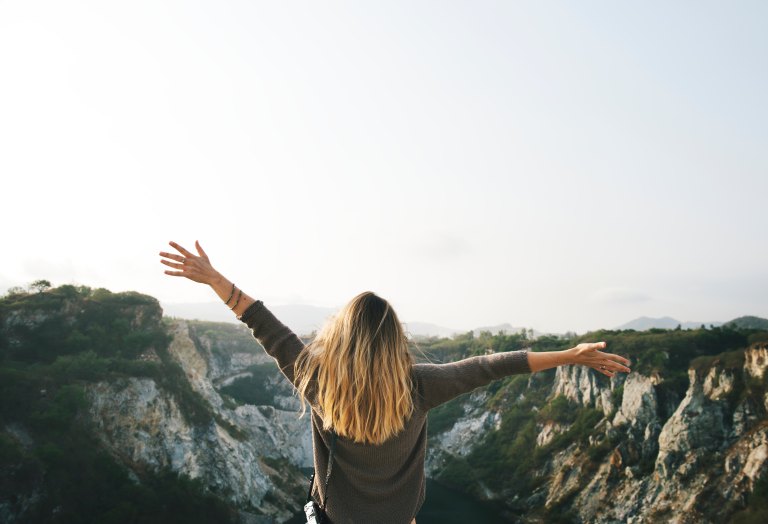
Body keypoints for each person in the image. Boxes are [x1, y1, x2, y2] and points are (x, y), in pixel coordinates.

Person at [160, 240, 631, 524]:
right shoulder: (420, 386)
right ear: (395, 340)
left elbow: (262, 324)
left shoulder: (318, 381)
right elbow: (494, 365)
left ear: (339, 338)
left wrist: (215, 279)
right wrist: (571, 355)